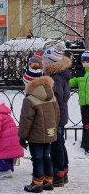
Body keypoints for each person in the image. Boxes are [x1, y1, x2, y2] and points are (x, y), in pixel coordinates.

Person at [19, 61, 59, 192]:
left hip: (36, 135)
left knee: (37, 158)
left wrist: (22, 137)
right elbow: (57, 113)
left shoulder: (29, 99)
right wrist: (53, 128)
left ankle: (37, 183)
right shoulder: (51, 94)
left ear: (29, 83)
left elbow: (26, 120)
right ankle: (48, 181)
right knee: (46, 156)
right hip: (50, 132)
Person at [43, 43, 72, 187]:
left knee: (56, 145)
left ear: (50, 62)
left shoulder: (55, 78)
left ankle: (58, 173)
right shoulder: (60, 75)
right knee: (59, 143)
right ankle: (63, 171)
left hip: (56, 115)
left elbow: (55, 99)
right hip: (61, 114)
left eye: (44, 60)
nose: (42, 62)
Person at [69, 50, 89, 154]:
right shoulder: (80, 73)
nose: (85, 63)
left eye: (87, 61)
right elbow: (72, 82)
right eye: (83, 61)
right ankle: (86, 144)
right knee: (86, 124)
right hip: (84, 104)